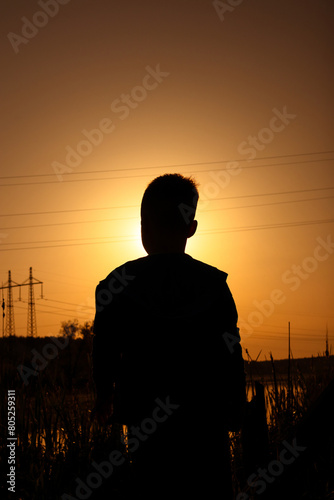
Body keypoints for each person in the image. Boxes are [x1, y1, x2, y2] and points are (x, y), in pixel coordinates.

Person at [93, 173, 246, 498]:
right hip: (204, 421)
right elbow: (231, 351)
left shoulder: (115, 284)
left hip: (145, 421)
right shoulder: (214, 284)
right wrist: (235, 405)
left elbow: (104, 348)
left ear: (143, 226)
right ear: (191, 227)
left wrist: (104, 395)